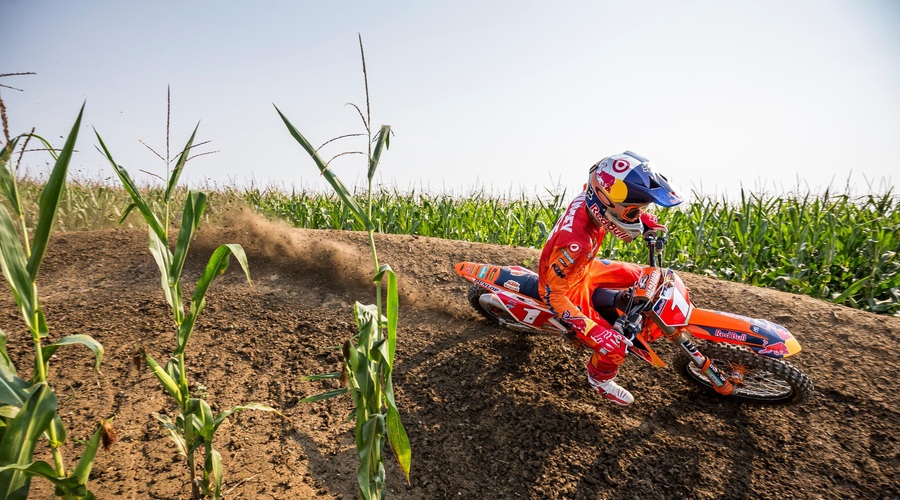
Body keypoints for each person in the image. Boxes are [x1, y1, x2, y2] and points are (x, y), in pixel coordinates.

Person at [538, 151, 682, 405]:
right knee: (615, 346)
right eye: (632, 212)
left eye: (640, 210)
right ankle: (599, 378)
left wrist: (644, 220)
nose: (637, 216)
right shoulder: (575, 243)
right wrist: (594, 331)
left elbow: (596, 189)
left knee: (651, 277)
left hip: (586, 268)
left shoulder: (591, 198)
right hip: (567, 289)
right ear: (606, 205)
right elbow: (554, 294)